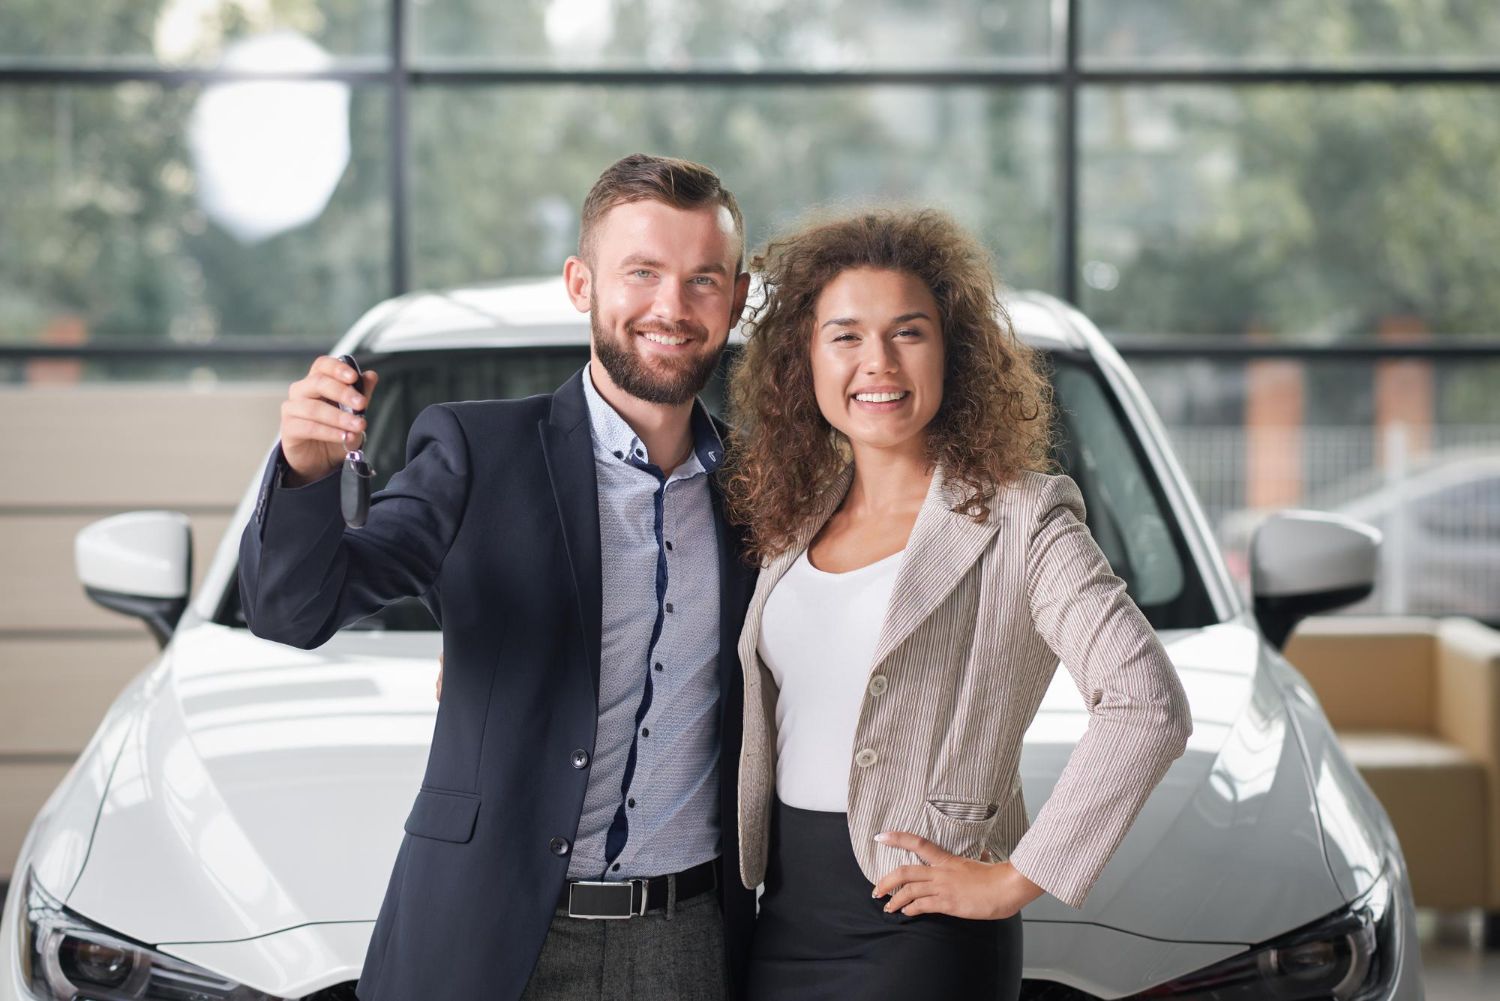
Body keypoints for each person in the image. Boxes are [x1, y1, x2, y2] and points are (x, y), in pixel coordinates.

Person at [238, 153, 757, 1001]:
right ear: (581, 284)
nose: (672, 306)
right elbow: (295, 610)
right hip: (492, 934)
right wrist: (303, 469)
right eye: (642, 272)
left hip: (689, 944)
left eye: (704, 279)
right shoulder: (477, 452)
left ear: (735, 299)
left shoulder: (762, 489)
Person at [720, 207, 1194, 1000]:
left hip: (925, 937)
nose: (878, 362)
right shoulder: (787, 517)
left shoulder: (1022, 517)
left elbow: (1148, 704)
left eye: (908, 332)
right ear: (804, 358)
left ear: (952, 352)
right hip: (784, 916)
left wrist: (1015, 878)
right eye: (845, 335)